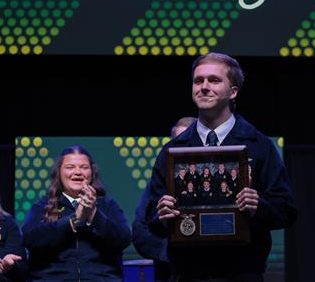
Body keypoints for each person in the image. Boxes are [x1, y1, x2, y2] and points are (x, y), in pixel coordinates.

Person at [145, 52, 298, 281]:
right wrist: (162, 216)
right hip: (187, 274)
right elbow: (150, 217)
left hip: (242, 273)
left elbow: (286, 211)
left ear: (233, 91)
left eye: (214, 80)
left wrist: (258, 207)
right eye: (198, 81)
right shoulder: (172, 150)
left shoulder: (260, 146)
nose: (204, 87)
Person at [22, 145, 131, 281]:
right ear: (59, 173)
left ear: (92, 172)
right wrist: (72, 221)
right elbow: (29, 239)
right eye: (70, 167)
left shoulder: (108, 205)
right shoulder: (43, 206)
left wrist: (93, 214)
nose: (78, 172)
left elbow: (124, 239)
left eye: (84, 167)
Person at [132, 117, 194, 282]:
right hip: (170, 272)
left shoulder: (213, 181)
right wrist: (175, 252)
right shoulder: (158, 184)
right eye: (178, 142)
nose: (184, 149)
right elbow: (140, 233)